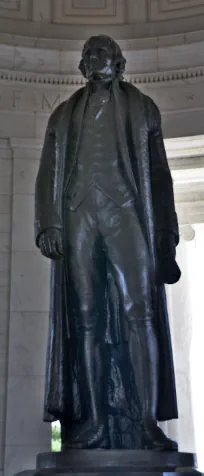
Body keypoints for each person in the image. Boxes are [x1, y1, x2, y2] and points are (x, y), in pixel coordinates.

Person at [35, 35, 181, 451]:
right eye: (87, 54)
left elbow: (159, 176)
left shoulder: (143, 108)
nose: (91, 59)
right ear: (81, 68)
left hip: (128, 215)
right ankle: (95, 421)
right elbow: (47, 173)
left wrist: (166, 238)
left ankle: (147, 421)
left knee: (140, 313)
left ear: (118, 63)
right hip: (78, 216)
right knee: (85, 321)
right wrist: (48, 223)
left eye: (101, 52)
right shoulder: (63, 115)